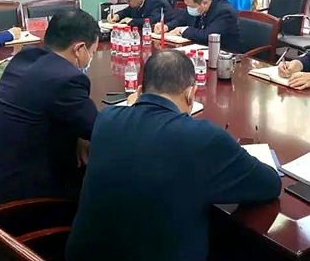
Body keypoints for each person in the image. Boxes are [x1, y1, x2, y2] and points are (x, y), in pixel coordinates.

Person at [66, 50, 281, 261]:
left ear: (139, 91)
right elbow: (270, 184)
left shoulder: (106, 119)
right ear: (190, 94)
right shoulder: (203, 138)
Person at [0, 10, 100, 210]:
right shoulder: (66, 79)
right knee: (96, 186)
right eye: (92, 52)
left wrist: (79, 134)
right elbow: (100, 131)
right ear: (79, 49)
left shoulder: (25, 58)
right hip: (3, 206)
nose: (90, 58)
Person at [154, 0, 241, 52]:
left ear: (204, 3)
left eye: (190, 6)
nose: (188, 8)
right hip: (200, 49)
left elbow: (207, 36)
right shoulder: (199, 7)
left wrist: (182, 30)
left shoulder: (224, 12)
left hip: (224, 55)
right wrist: (166, 27)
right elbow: (182, 18)